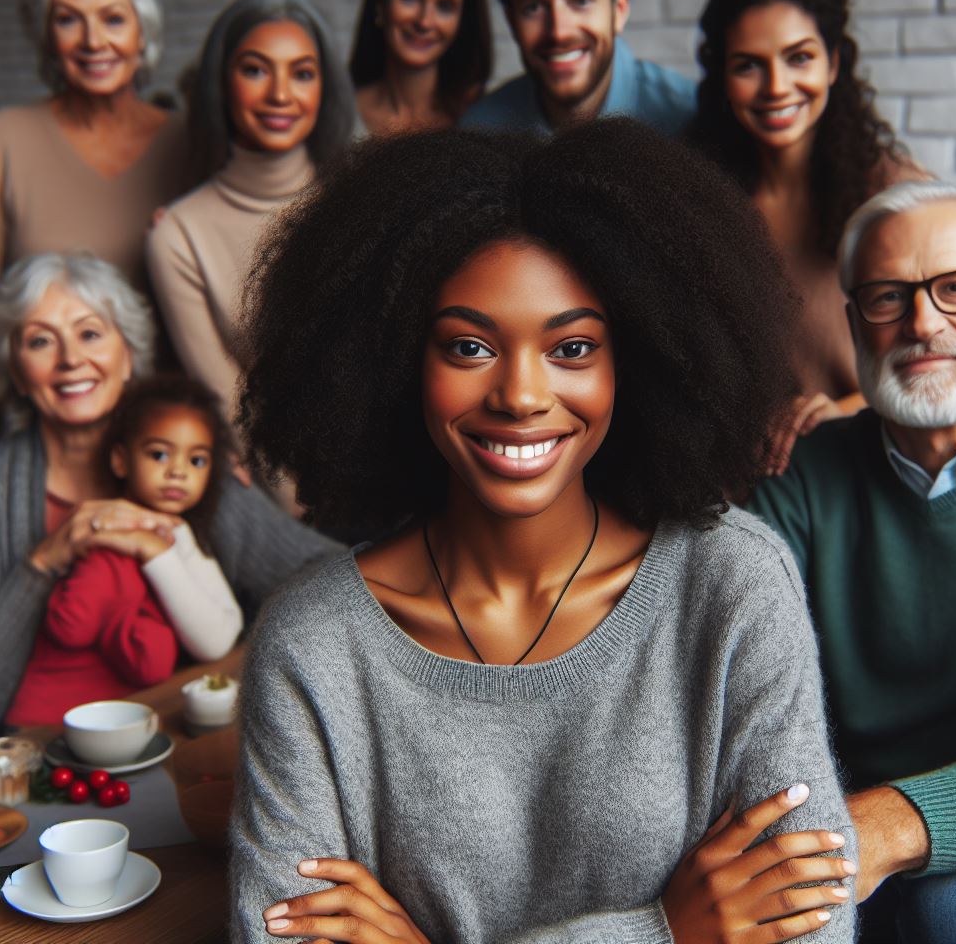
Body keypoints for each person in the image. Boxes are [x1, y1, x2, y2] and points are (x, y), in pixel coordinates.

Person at [230, 121, 856, 943]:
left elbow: (810, 930)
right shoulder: (314, 646)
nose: (521, 394)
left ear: (636, 361)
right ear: (390, 361)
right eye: (468, 346)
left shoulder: (731, 585)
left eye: (571, 347)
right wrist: (663, 934)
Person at [747, 181, 956, 944]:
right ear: (853, 323)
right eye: (886, 297)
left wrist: (893, 824)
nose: (923, 323)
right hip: (836, 820)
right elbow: (729, 658)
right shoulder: (801, 474)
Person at [0, 252, 341, 728]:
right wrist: (45, 560)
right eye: (40, 341)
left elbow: (326, 578)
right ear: (15, 369)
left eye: (90, 333)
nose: (71, 359)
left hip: (174, 734)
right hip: (31, 753)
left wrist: (247, 669)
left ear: (128, 356)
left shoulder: (187, 470)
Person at [688, 0, 924, 471]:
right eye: (748, 64)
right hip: (743, 477)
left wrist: (840, 410)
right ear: (723, 76)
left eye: (799, 58)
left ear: (834, 64)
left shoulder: (898, 196)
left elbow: (942, 349)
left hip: (870, 458)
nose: (776, 86)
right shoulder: (698, 198)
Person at [146, 0, 354, 430]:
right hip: (280, 485)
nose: (280, 94)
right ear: (221, 84)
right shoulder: (178, 235)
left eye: (302, 73)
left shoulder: (361, 199)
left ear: (325, 87)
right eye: (255, 70)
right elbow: (234, 411)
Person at [5, 375, 243, 726]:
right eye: (159, 454)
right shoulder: (108, 536)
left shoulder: (175, 534)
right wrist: (130, 616)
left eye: (197, 461)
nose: (178, 471)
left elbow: (225, 628)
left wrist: (155, 550)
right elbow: (69, 625)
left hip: (113, 722)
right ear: (120, 460)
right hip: (46, 726)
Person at [0, 0, 189, 287]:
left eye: (113, 19)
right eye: (68, 20)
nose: (93, 41)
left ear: (142, 32)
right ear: (47, 36)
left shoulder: (191, 140)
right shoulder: (7, 139)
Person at [460, 0, 695, 136]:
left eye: (581, 1)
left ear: (619, 10)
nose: (559, 32)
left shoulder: (690, 118)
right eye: (532, 8)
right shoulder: (481, 130)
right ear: (511, 21)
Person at [350, 0, 492, 135]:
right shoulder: (339, 115)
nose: (424, 22)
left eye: (445, 6)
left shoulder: (488, 117)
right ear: (381, 3)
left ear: (462, 21)